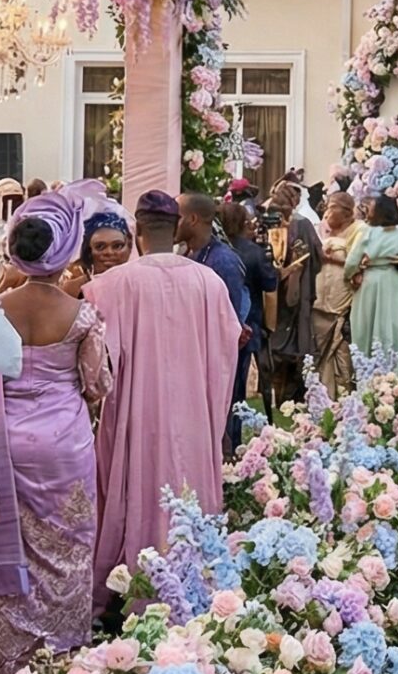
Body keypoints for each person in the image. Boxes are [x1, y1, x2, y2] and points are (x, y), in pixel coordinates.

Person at [0, 185, 111, 674]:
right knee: (69, 551)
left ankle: (13, 664)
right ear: (65, 253)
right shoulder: (81, 315)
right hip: (63, 443)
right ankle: (65, 662)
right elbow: (97, 385)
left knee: (14, 549)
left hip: (4, 442)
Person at [86, 184, 241, 605]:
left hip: (140, 408)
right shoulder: (207, 281)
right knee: (189, 482)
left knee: (140, 482)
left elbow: (97, 358)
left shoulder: (114, 283)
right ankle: (194, 579)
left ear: (137, 231)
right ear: (175, 229)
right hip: (194, 410)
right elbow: (227, 348)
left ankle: (135, 579)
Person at [172, 193, 253, 441]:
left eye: (176, 217)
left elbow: (230, 322)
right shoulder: (189, 254)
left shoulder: (223, 262)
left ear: (192, 219)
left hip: (217, 364)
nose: (171, 223)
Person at [220, 199, 280, 414]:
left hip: (216, 323)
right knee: (237, 384)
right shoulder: (254, 253)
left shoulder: (212, 250)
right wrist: (270, 326)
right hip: (247, 323)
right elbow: (270, 287)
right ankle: (234, 428)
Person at [346, 194, 398, 366]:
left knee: (366, 326)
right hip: (395, 281)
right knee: (393, 324)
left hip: (371, 281)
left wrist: (351, 275)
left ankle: (366, 370)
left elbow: (352, 261)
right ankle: (394, 372)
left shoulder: (367, 233)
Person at [266, 181, 320, 406]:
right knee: (287, 338)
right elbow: (317, 256)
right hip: (281, 290)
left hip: (288, 289)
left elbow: (314, 255)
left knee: (287, 337)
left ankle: (285, 391)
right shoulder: (298, 224)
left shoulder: (301, 225)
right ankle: (284, 391)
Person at [313, 191, 360, 389]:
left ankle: (340, 389)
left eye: (332, 207)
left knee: (339, 344)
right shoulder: (323, 230)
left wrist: (331, 259)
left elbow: (358, 263)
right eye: (327, 207)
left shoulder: (358, 231)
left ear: (347, 212)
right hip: (319, 299)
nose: (327, 213)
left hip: (339, 299)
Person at [70, 205, 134, 295]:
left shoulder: (140, 284)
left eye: (117, 246)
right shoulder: (74, 289)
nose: (109, 252)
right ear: (88, 251)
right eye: (100, 246)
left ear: (129, 247)